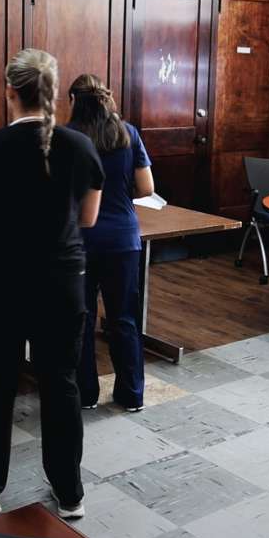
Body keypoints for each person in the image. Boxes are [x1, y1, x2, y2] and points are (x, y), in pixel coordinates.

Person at [0, 49, 103, 519]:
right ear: (53, 93)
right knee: (60, 382)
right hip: (61, 280)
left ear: (10, 92)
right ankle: (70, 491)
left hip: (0, 280)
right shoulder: (79, 147)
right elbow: (89, 217)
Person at [67, 74, 154, 412]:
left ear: (74, 100)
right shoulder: (127, 133)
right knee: (125, 318)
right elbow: (146, 188)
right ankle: (131, 394)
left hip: (80, 239)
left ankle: (85, 393)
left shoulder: (67, 137)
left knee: (82, 319)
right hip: (122, 239)